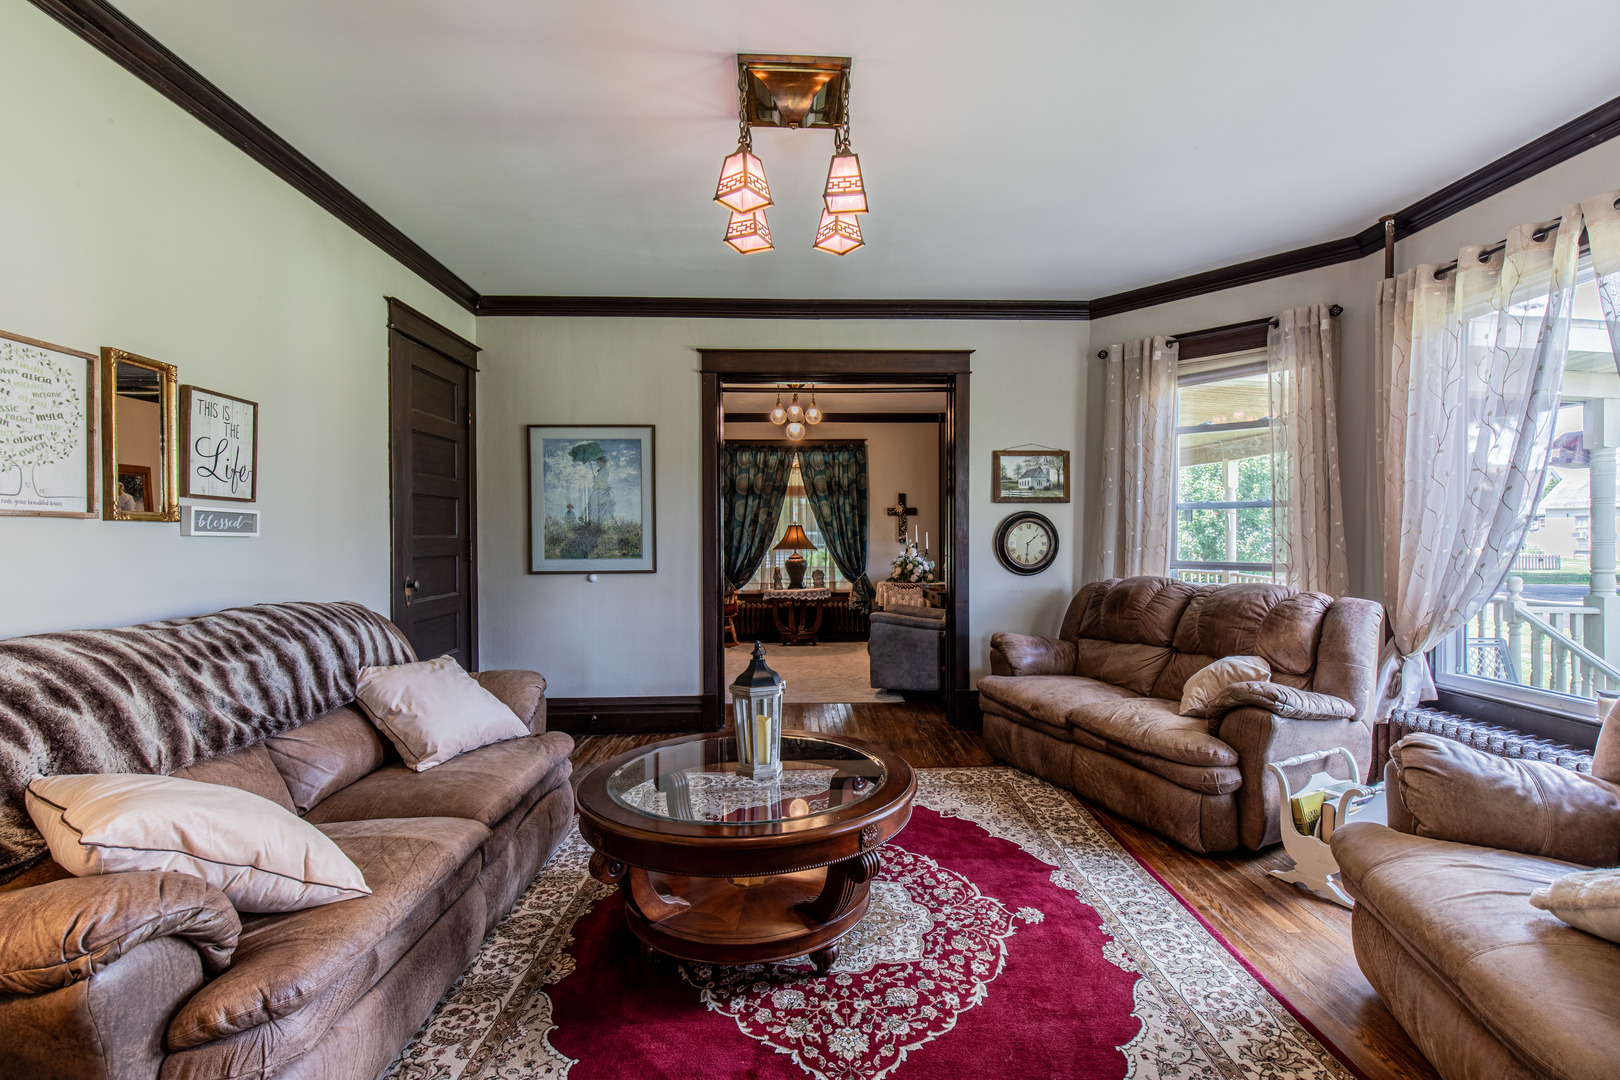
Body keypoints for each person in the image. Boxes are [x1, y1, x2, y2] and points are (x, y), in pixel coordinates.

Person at [586, 454, 615, 523]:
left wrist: (595, 480)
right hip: (599, 488)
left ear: (603, 462)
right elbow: (598, 480)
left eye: (599, 462)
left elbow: (602, 481)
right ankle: (594, 521)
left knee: (602, 506)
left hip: (602, 489)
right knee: (594, 505)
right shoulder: (601, 470)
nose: (598, 464)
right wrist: (595, 479)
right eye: (597, 462)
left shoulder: (604, 470)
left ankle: (605, 521)